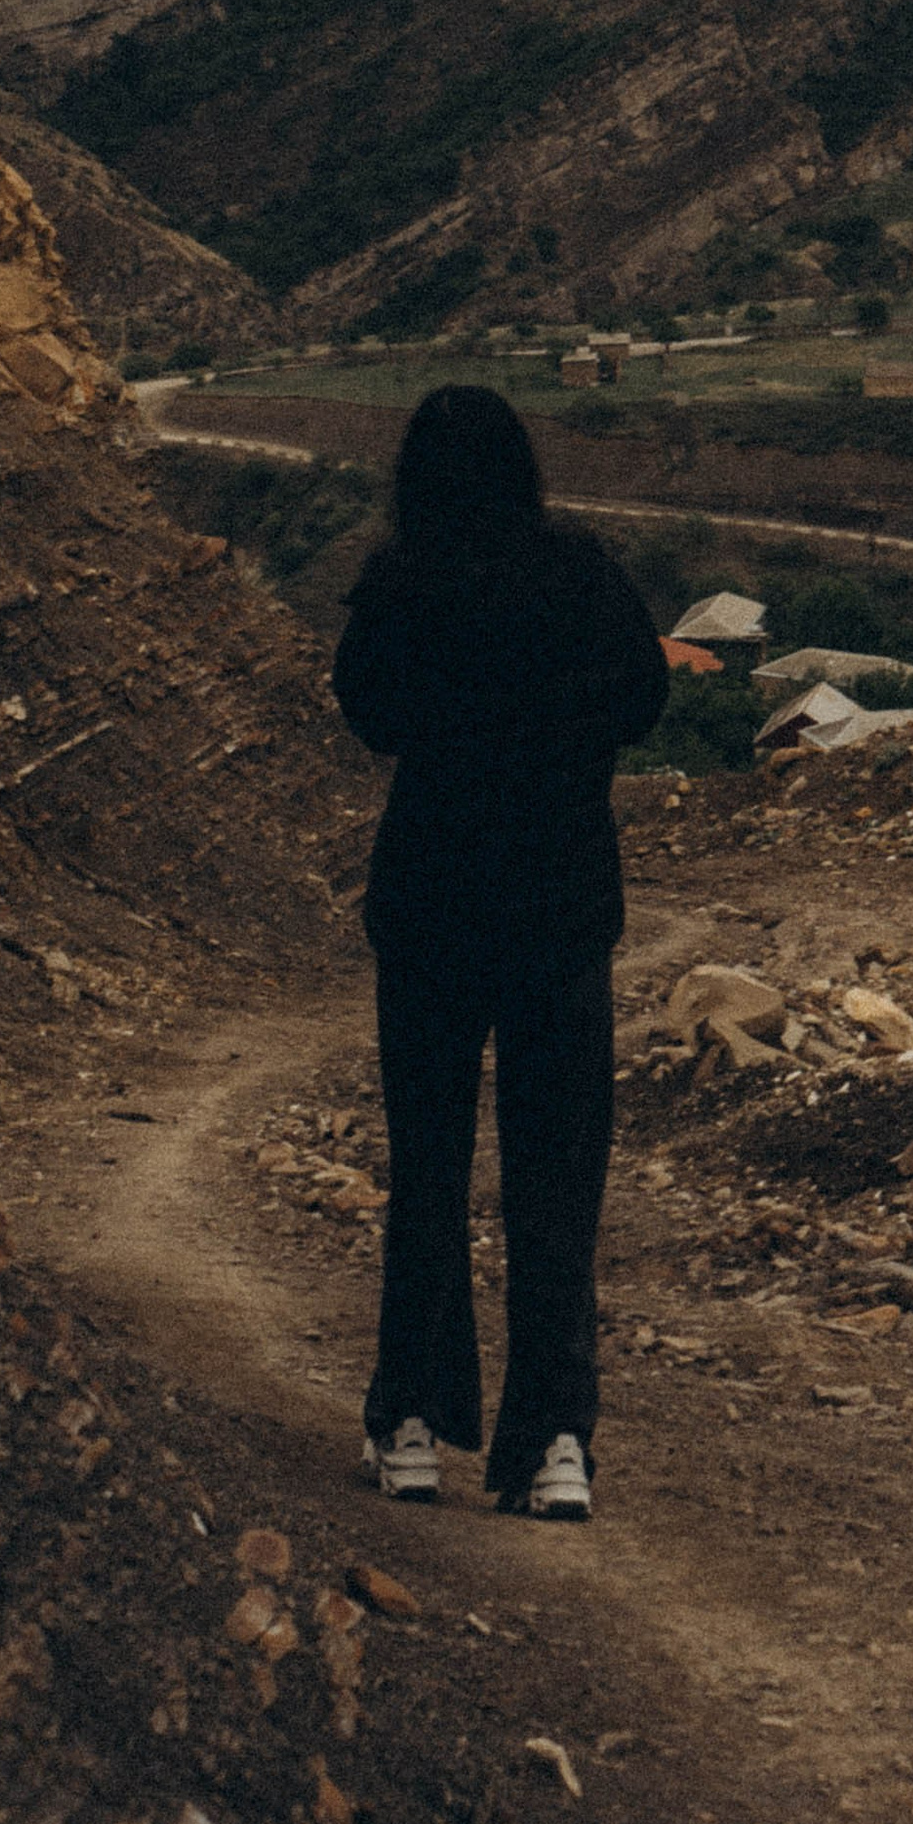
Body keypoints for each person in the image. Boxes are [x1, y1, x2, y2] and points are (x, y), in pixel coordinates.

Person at [331, 384, 670, 1520]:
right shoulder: (582, 576)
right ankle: (552, 1444)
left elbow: (366, 712)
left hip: (430, 906)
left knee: (427, 1170)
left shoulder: (399, 583)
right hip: (561, 912)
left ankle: (414, 1424)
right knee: (556, 1183)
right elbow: (644, 699)